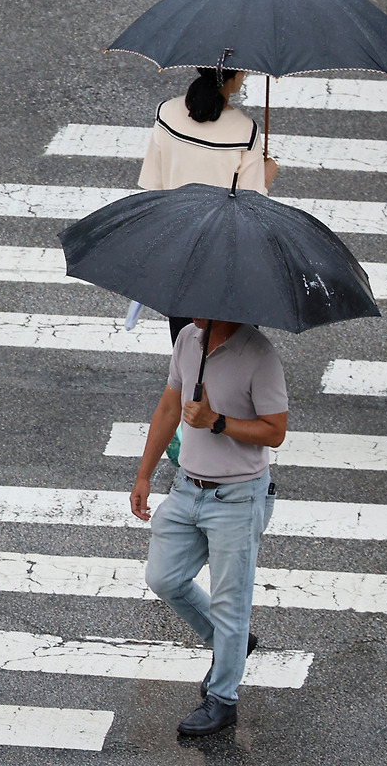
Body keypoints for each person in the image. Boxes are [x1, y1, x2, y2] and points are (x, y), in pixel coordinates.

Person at [129, 318, 288, 736]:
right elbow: (168, 407)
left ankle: (222, 699)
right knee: (164, 578)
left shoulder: (259, 355)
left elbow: (275, 431)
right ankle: (231, 644)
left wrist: (217, 421)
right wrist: (144, 474)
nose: (189, 309)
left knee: (230, 604)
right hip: (187, 488)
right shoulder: (187, 339)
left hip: (238, 496)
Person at [139, 67, 279, 343]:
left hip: (178, 248)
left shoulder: (166, 113)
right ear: (235, 75)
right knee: (234, 345)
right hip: (227, 254)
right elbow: (251, 204)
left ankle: (193, 386)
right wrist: (268, 171)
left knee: (187, 343)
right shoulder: (244, 129)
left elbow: (152, 186)